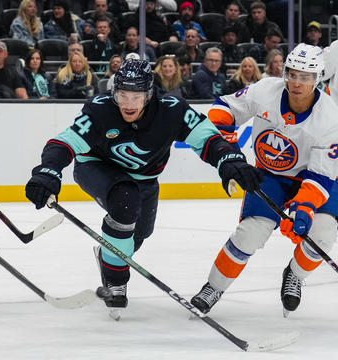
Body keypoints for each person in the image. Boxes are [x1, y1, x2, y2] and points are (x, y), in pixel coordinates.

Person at [24, 58, 261, 318]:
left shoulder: (172, 110)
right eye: (122, 94)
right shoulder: (100, 109)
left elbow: (208, 138)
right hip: (96, 166)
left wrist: (229, 161)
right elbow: (63, 142)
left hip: (145, 179)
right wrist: (48, 172)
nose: (127, 103)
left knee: (140, 232)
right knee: (125, 202)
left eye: (135, 96)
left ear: (149, 94)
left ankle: (108, 255)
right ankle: (116, 280)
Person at [191, 44, 338, 317]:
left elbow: (320, 176)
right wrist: (226, 143)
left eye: (304, 77)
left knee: (323, 232)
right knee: (251, 233)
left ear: (317, 79)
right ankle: (214, 287)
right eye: (292, 74)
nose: (296, 82)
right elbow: (225, 108)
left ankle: (294, 275)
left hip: (313, 179)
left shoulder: (330, 118)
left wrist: (302, 207)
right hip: (270, 174)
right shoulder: (265, 90)